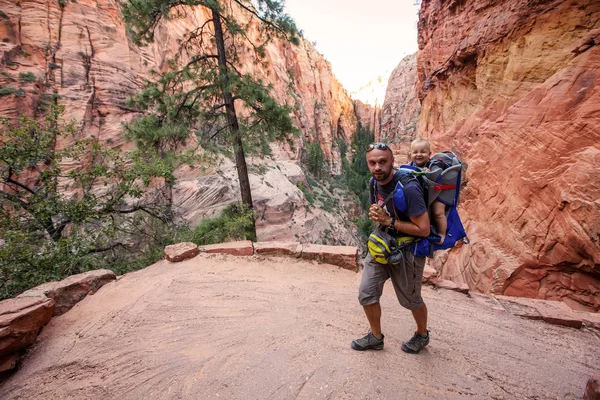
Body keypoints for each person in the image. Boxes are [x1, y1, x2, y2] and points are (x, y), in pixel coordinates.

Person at [351, 142, 431, 353]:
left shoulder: (409, 188)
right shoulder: (373, 182)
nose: (378, 167)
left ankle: (422, 335)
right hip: (381, 244)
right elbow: (379, 206)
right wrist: (377, 215)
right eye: (372, 163)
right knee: (366, 293)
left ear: (392, 161)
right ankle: (376, 337)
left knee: (411, 300)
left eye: (382, 162)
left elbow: (423, 229)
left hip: (407, 251)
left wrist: (389, 221)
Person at [409, 138, 447, 244]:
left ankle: (441, 234)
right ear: (410, 154)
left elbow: (438, 169)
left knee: (438, 213)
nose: (419, 154)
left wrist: (430, 172)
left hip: (438, 192)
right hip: (425, 192)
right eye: (415, 152)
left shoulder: (433, 163)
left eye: (423, 152)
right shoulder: (411, 165)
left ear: (429, 154)